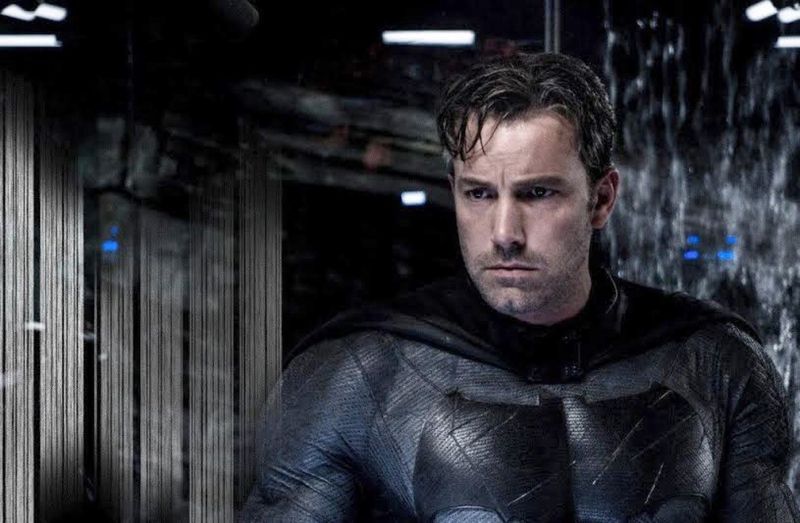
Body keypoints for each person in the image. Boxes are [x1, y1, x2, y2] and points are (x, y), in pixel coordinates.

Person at [241, 53, 799, 522]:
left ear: (602, 199)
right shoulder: (355, 377)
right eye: (479, 194)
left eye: (537, 194)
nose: (504, 234)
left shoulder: (717, 364)